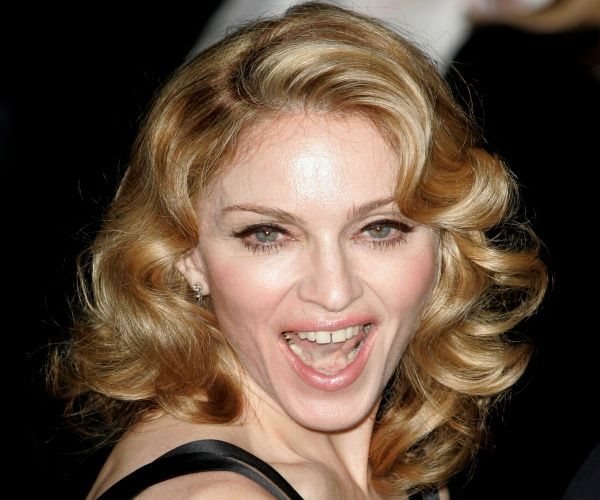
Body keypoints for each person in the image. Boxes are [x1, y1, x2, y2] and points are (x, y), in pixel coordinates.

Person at [48, 2, 547, 498]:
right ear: (187, 255)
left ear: (444, 239)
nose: (333, 291)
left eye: (379, 229)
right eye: (268, 234)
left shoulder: (387, 466)